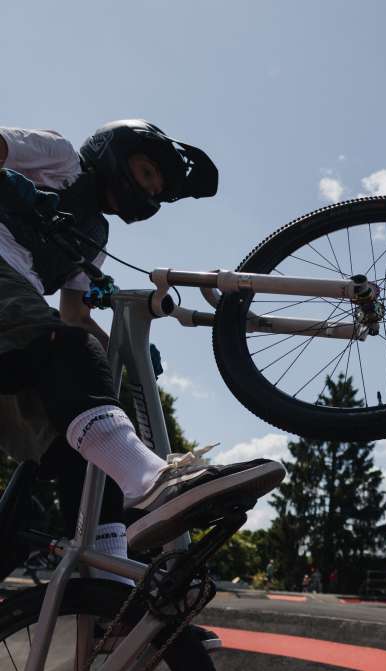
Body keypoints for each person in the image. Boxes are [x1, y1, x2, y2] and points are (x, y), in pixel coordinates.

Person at [0, 121, 283, 563]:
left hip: (15, 315)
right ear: (117, 150)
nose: (149, 189)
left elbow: (77, 314)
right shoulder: (59, 157)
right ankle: (154, 481)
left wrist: (128, 349)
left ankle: (104, 592)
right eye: (148, 171)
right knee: (66, 348)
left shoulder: (92, 237)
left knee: (86, 440)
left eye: (157, 188)